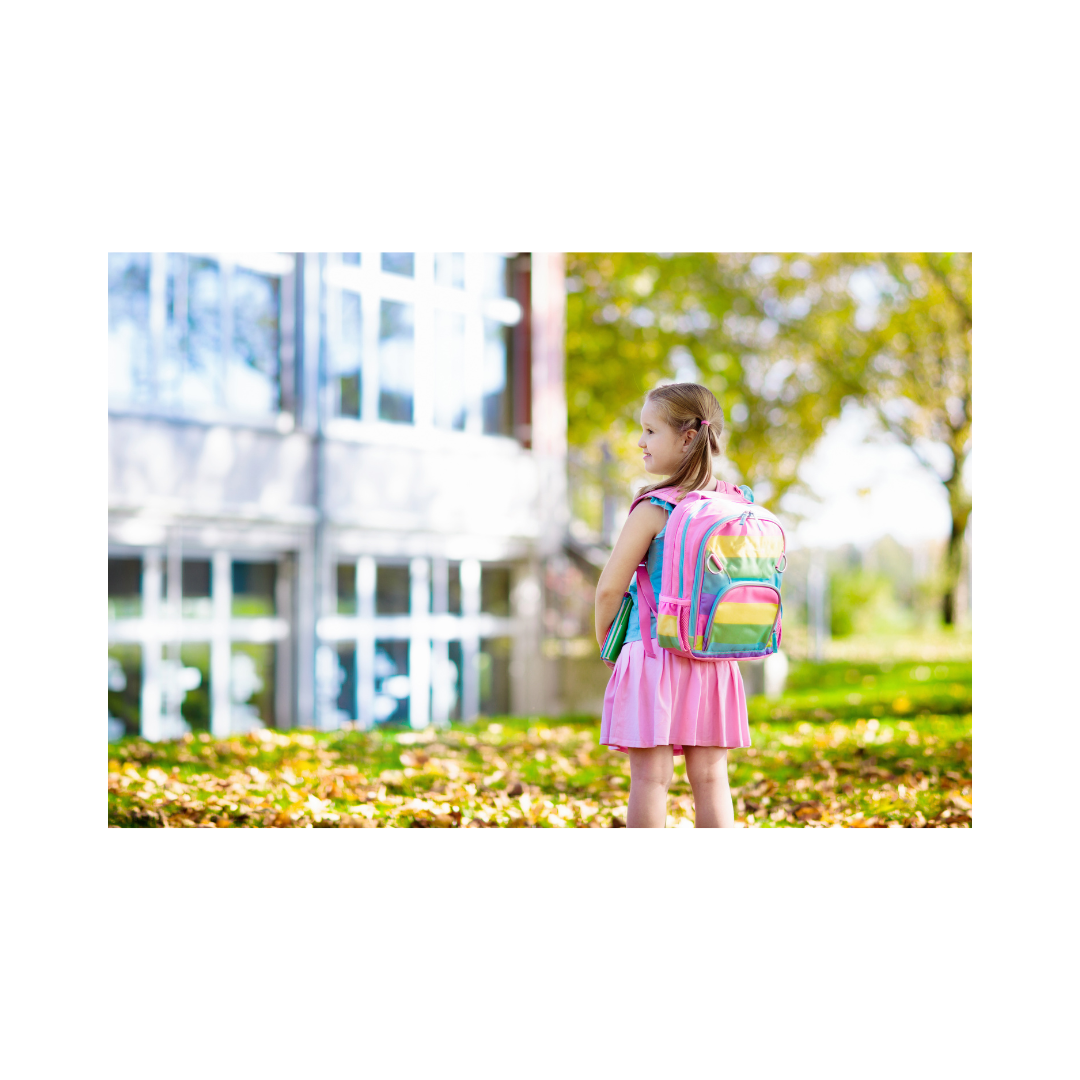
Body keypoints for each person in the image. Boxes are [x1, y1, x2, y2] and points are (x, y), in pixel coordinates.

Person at [594, 383, 749, 828]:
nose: (640, 442)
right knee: (711, 777)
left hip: (653, 655)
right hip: (715, 658)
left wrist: (609, 643)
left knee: (650, 779)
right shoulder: (736, 502)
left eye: (649, 430)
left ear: (686, 437)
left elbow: (609, 590)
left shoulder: (654, 506)